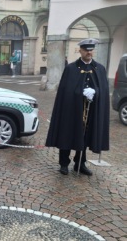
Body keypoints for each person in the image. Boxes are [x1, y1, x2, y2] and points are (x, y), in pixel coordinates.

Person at [46, 38, 110, 176]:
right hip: (71, 110)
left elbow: (103, 90)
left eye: (91, 50)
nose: (89, 52)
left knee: (86, 135)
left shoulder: (99, 68)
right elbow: (66, 91)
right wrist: (80, 92)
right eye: (86, 50)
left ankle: (80, 163)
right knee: (67, 133)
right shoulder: (71, 68)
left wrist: (95, 92)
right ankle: (64, 163)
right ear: (80, 50)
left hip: (91, 110)